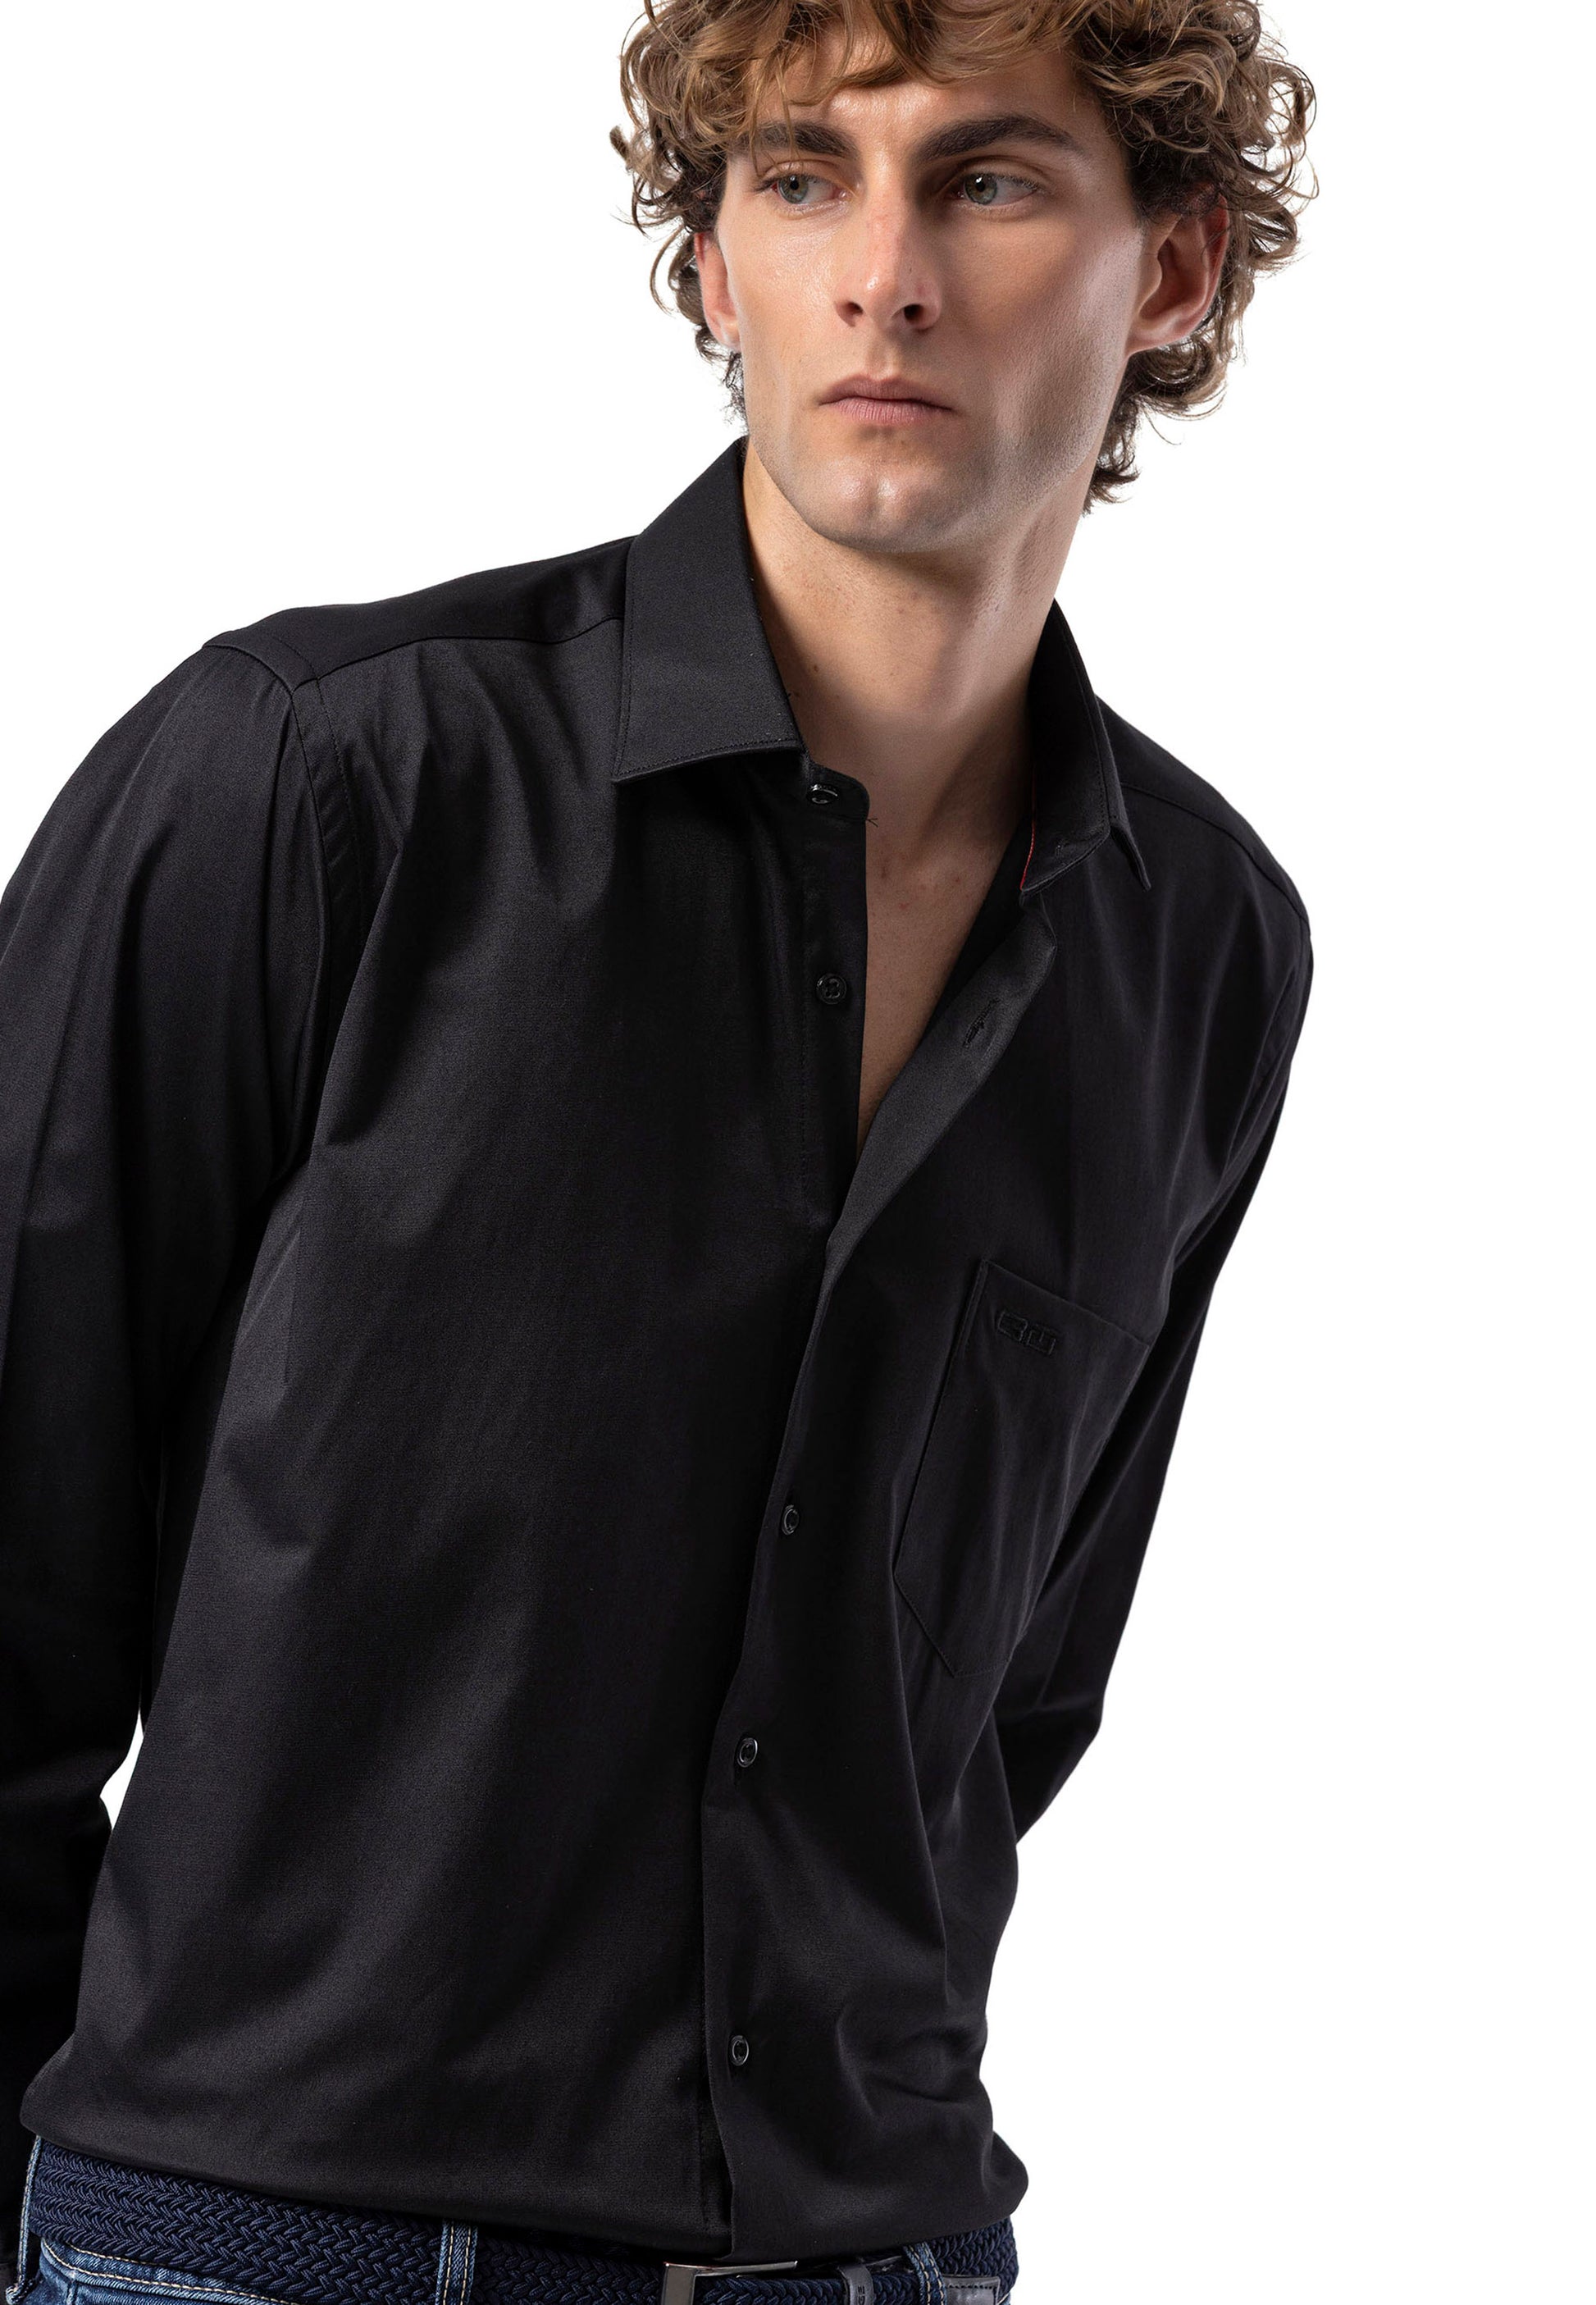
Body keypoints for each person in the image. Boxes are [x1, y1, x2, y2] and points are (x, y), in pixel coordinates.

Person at [0, 4, 1316, 2302]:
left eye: (989, 179)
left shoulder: (1197, 942)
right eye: (801, 179)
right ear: (712, 262)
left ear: (1176, 267)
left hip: (877, 2252)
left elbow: (1001, 1703)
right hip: (258, 2249)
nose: (882, 275)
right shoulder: (323, 779)